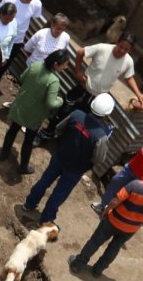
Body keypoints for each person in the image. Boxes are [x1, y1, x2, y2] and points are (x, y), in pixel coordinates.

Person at [20, 93, 115, 223]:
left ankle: (29, 204)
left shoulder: (76, 114)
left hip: (60, 156)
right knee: (59, 194)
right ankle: (45, 220)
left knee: (44, 180)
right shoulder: (101, 136)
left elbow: (59, 129)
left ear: (92, 104)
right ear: (107, 114)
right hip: (75, 168)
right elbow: (98, 158)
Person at [69, 159, 143, 277]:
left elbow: (115, 201)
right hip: (131, 229)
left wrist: (106, 211)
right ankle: (98, 270)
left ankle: (78, 264)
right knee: (114, 248)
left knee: (95, 241)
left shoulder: (136, 184)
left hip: (113, 220)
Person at [38, 32, 143, 144]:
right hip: (82, 89)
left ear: (131, 50)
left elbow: (129, 77)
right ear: (117, 42)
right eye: (121, 46)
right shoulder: (102, 48)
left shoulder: (128, 62)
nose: (122, 51)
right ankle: (46, 133)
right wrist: (78, 71)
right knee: (63, 111)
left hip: (96, 99)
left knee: (81, 123)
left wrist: (138, 94)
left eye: (126, 49)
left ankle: (63, 141)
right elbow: (80, 52)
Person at [1, 49, 69, 174]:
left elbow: (21, 78)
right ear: (55, 64)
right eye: (64, 64)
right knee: (28, 141)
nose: (65, 67)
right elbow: (50, 103)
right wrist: (60, 101)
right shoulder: (53, 81)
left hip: (21, 105)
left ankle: (3, 154)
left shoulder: (35, 65)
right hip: (35, 114)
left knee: (12, 130)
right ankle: (23, 167)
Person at [0, 0, 43, 94]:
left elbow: (35, 17)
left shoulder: (37, 4)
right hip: (1, 35)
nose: (29, 0)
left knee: (6, 62)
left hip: (17, 39)